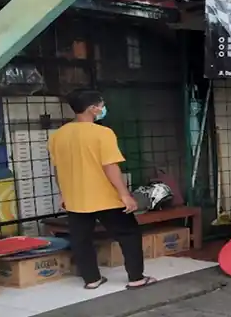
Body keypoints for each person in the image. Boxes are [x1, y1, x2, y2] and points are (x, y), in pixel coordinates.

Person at [48, 89, 156, 290]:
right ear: (92, 109)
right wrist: (125, 194)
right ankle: (136, 278)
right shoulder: (102, 133)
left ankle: (91, 280)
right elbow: (110, 166)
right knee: (129, 234)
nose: (103, 108)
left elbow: (58, 169)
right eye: (101, 105)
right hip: (104, 197)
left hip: (76, 198)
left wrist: (63, 193)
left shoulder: (58, 136)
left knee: (81, 239)